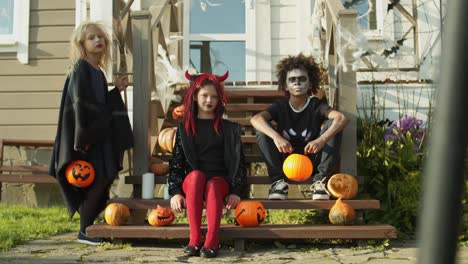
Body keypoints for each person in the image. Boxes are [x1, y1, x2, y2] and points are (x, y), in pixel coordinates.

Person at [49, 21, 133, 245]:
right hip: (87, 138)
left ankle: (91, 227)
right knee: (98, 178)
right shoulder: (81, 69)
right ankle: (84, 230)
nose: (98, 41)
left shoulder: (97, 71)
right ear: (82, 44)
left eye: (100, 37)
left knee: (105, 177)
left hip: (99, 135)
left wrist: (116, 90)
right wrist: (83, 137)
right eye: (91, 38)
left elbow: (101, 103)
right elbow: (79, 106)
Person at [168, 71, 247, 258]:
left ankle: (212, 240)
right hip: (193, 182)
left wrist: (236, 191)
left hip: (219, 182)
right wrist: (176, 192)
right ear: (195, 97)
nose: (209, 100)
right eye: (204, 95)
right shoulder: (185, 129)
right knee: (197, 176)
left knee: (212, 185)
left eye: (214, 96)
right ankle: (194, 238)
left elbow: (240, 163)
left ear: (219, 100)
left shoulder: (230, 129)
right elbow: (177, 162)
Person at [250, 53, 349, 200]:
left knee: (332, 125)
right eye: (292, 80)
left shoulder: (316, 105)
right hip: (285, 162)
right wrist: (276, 137)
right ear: (286, 85)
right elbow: (256, 119)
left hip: (312, 160)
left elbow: (341, 118)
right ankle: (278, 184)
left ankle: (320, 183)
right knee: (263, 131)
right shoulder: (280, 106)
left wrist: (321, 139)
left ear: (310, 84)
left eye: (302, 79)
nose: (297, 83)